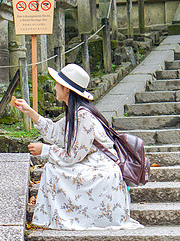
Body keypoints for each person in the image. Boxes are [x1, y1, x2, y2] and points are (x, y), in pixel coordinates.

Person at [12, 63, 144, 230]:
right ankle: (65, 216)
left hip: (102, 171)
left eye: (57, 84)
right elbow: (54, 131)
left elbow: (73, 155)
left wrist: (45, 150)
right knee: (52, 168)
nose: (54, 88)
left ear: (66, 89)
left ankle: (70, 217)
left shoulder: (83, 116)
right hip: (95, 166)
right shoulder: (77, 113)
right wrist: (29, 111)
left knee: (52, 169)